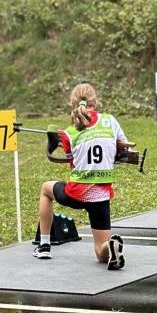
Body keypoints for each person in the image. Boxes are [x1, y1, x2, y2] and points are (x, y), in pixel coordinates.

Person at [34, 83, 128, 269]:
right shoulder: (110, 121)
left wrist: (57, 142)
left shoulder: (69, 133)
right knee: (99, 251)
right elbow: (125, 149)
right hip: (101, 195)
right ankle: (108, 248)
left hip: (76, 193)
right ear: (95, 101)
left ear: (73, 103)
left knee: (46, 189)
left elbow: (72, 164)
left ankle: (44, 245)